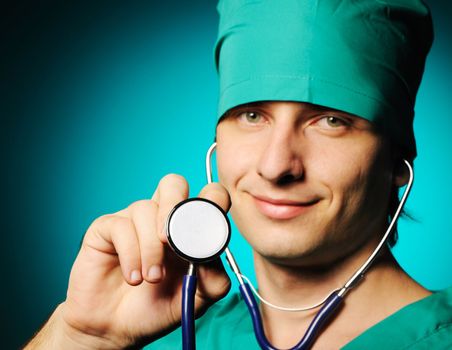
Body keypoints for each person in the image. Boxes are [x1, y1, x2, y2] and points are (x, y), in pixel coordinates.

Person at [25, 0, 452, 349]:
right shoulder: (159, 334)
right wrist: (80, 337)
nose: (276, 165)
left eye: (331, 121)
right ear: (217, 142)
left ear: (397, 161)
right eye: (252, 115)